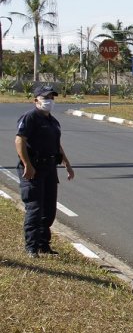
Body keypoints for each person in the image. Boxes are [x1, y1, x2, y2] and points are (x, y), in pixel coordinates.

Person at [15, 85, 74, 258]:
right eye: (45, 98)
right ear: (36, 100)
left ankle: (43, 244)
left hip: (49, 168)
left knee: (48, 209)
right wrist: (27, 164)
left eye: (52, 98)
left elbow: (57, 145)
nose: (49, 101)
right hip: (33, 168)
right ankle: (31, 247)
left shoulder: (53, 121)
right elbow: (19, 141)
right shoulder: (30, 117)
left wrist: (67, 164)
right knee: (35, 208)